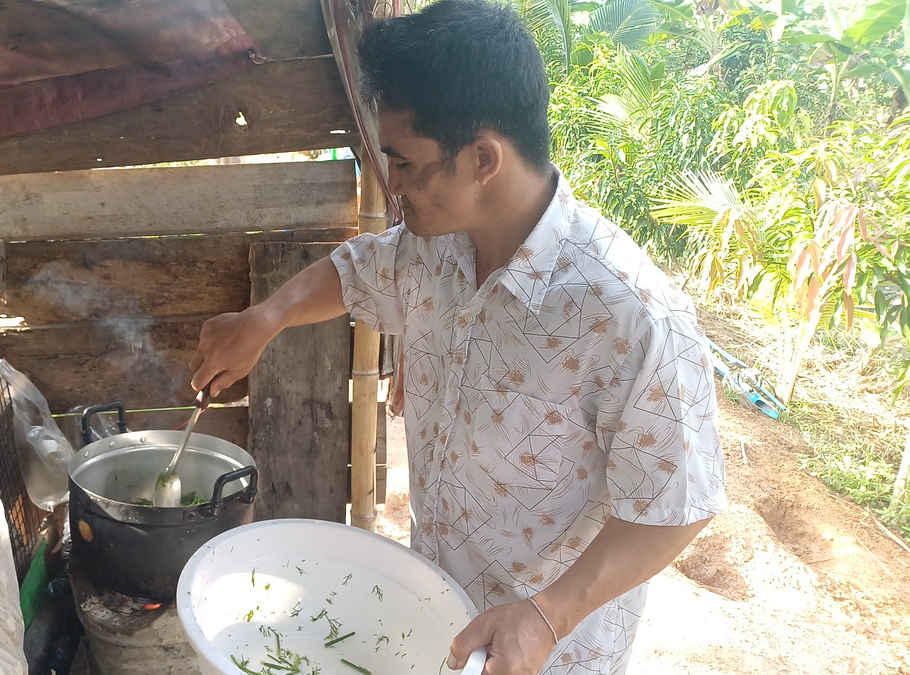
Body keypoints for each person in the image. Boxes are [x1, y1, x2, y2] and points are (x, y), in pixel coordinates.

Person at [189, 1, 727, 672]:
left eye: (404, 163)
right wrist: (265, 318)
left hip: (546, 648)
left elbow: (679, 503)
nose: (391, 185)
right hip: (430, 615)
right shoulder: (434, 247)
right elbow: (357, 270)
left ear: (483, 159)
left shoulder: (631, 315)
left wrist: (549, 613)